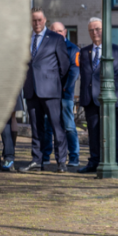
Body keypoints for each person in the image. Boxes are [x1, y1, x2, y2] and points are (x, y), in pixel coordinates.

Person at [20, 9, 70, 172]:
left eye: (39, 20)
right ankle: (37, 160)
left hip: (51, 90)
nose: (37, 23)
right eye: (34, 20)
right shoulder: (25, 39)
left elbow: (65, 65)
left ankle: (61, 161)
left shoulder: (55, 38)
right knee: (36, 127)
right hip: (31, 89)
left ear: (45, 20)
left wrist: (55, 83)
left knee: (57, 127)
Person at [77, 18, 118, 172]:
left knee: (114, 132)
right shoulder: (85, 52)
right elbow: (85, 75)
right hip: (90, 99)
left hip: (111, 100)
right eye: (91, 30)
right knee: (93, 132)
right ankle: (94, 162)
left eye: (98, 29)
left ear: (104, 30)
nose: (95, 33)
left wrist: (113, 91)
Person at [43, 21, 80, 168]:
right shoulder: (45, 47)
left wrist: (64, 89)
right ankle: (46, 157)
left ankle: (74, 157)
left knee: (69, 126)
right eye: (54, 31)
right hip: (48, 94)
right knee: (47, 126)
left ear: (65, 32)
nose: (58, 34)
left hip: (65, 94)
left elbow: (74, 73)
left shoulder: (73, 49)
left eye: (60, 31)